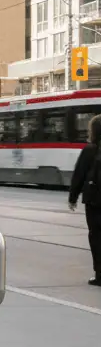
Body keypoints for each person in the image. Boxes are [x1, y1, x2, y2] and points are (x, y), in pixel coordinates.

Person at [68, 114, 101, 287]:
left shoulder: (89, 150)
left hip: (94, 200)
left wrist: (73, 197)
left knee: (96, 236)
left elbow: (79, 175)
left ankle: (100, 274)